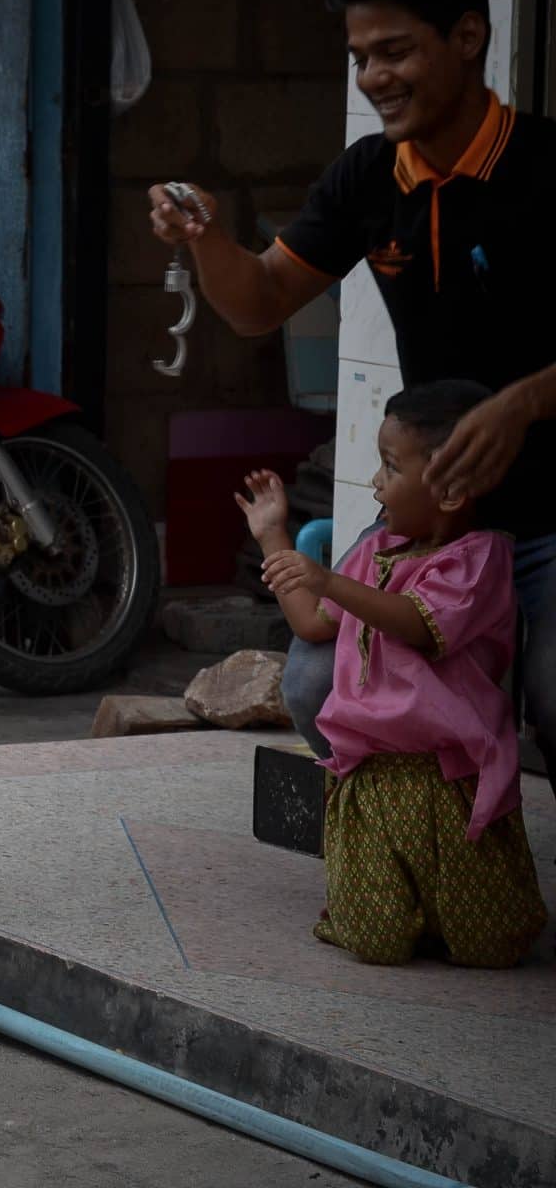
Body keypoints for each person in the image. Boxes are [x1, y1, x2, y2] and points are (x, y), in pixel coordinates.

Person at [146, 0, 556, 785]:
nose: (375, 79)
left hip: (551, 519)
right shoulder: (369, 178)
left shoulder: (548, 168)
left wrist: (524, 403)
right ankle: (426, 863)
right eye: (361, 58)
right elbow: (258, 302)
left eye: (396, 52)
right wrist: (207, 238)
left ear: (469, 38)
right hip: (434, 524)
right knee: (318, 683)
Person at [236, 381, 547, 966]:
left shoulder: (477, 560)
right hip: (372, 779)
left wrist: (330, 581)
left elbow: (418, 624)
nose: (375, 484)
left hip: (448, 779)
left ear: (452, 491)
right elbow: (310, 623)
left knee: (491, 947)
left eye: (389, 466)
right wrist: (272, 533)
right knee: (377, 942)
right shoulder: (372, 550)